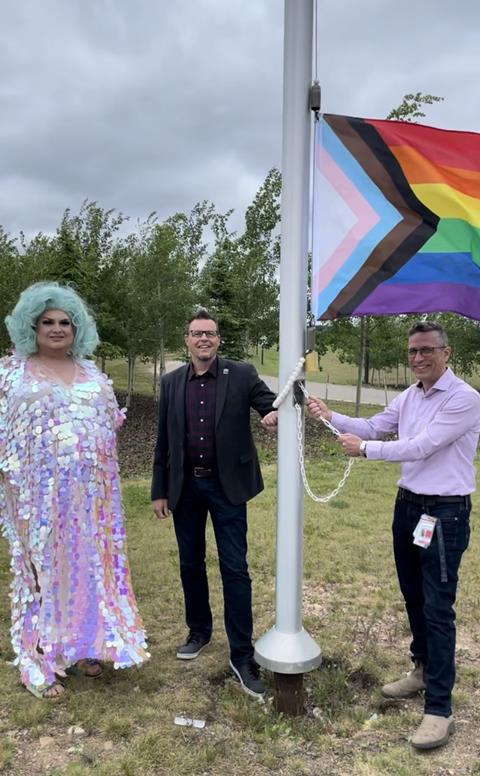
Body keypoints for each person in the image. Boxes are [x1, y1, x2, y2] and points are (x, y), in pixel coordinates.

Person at [308, 321, 480, 750]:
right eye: (412, 352)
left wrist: (366, 450)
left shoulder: (465, 399)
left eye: (426, 350)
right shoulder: (410, 395)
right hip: (409, 508)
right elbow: (374, 425)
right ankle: (422, 670)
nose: (418, 358)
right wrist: (331, 416)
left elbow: (422, 445)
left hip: (444, 513)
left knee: (439, 607)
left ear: (447, 352)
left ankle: (440, 710)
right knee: (414, 597)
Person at [0, 282, 149, 699]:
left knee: (87, 569)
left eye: (65, 322)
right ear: (31, 326)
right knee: (39, 574)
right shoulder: (10, 375)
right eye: (47, 322)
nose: (57, 328)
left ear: (77, 328)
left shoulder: (94, 377)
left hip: (91, 502)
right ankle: (39, 658)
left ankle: (85, 648)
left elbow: (106, 436)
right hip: (36, 501)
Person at [151, 309, 277, 698]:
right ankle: (199, 632)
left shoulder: (241, 374)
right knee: (190, 563)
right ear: (186, 340)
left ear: (218, 340)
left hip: (228, 488)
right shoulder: (171, 382)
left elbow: (269, 403)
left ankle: (241, 653)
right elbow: (163, 440)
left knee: (235, 568)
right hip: (185, 488)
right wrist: (160, 490)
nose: (203, 339)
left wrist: (273, 414)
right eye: (196, 334)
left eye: (210, 334)